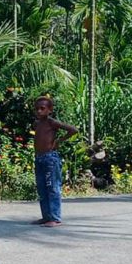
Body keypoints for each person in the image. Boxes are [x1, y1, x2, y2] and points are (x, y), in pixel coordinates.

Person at [33, 96, 78, 228]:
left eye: (42, 108)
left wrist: (59, 141)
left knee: (52, 187)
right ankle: (46, 216)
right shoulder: (37, 124)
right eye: (37, 109)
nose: (39, 111)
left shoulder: (51, 122)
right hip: (39, 158)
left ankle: (55, 218)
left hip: (50, 158)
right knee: (42, 188)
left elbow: (73, 130)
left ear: (50, 110)